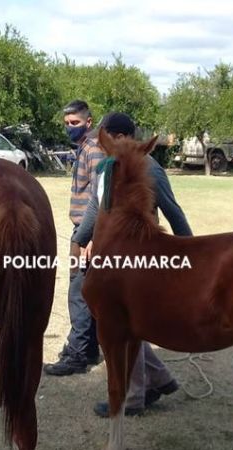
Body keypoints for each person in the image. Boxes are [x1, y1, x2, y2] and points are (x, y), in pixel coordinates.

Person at [73, 112, 193, 417]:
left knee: (128, 323)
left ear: (122, 137)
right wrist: (81, 240)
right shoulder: (107, 167)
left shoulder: (151, 167)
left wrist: (189, 255)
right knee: (120, 321)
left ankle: (135, 396)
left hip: (142, 257)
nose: (103, 146)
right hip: (109, 257)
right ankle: (160, 379)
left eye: (107, 139)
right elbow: (94, 209)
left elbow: (174, 213)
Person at [43, 100, 106, 376]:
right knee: (85, 292)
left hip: (87, 233)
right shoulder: (83, 148)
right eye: (67, 123)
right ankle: (89, 348)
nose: (69, 128)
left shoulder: (94, 151)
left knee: (78, 293)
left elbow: (101, 197)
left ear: (88, 123)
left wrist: (90, 238)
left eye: (75, 123)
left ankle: (78, 354)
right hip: (82, 231)